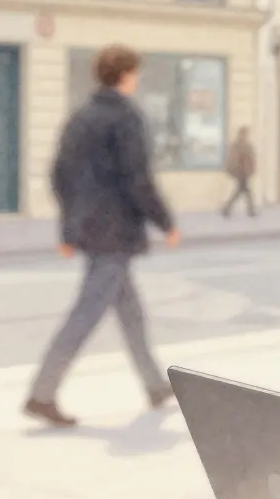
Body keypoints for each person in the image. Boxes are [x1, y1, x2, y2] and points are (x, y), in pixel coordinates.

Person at [23, 44, 179, 428]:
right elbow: (137, 179)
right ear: (125, 74)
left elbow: (60, 176)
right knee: (87, 313)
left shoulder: (80, 118)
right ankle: (42, 394)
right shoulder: (126, 118)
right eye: (135, 72)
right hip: (116, 230)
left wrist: (68, 228)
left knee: (130, 312)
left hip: (90, 229)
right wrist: (165, 222)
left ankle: (155, 385)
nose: (137, 79)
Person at [222, 126, 257, 218]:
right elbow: (235, 159)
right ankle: (250, 211)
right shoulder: (239, 145)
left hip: (243, 172)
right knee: (243, 191)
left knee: (241, 191)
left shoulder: (243, 145)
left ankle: (227, 209)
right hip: (241, 172)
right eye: (245, 134)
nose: (246, 136)